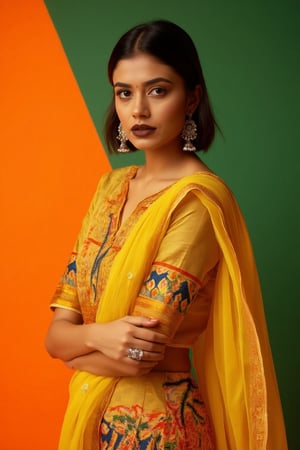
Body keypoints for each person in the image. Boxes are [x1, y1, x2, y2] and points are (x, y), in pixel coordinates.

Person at [45, 20, 287, 450]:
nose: (138, 109)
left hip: (160, 429)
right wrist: (97, 337)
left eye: (157, 90)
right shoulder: (110, 188)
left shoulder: (195, 201)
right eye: (124, 92)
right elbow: (54, 334)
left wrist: (75, 350)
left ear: (192, 98)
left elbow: (140, 355)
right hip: (90, 422)